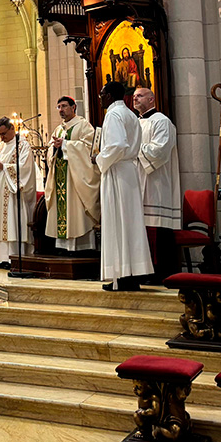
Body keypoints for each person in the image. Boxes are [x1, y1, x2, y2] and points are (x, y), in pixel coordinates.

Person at [95, 81, 153, 290]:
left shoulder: (113, 114)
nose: (100, 97)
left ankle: (121, 276)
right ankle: (132, 274)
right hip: (129, 171)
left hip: (118, 171)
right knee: (130, 223)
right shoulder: (129, 114)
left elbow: (118, 145)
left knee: (118, 222)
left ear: (110, 95)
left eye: (102, 94)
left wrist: (99, 158)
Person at [133, 87, 182, 277]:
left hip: (156, 184)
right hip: (137, 182)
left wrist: (131, 147)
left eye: (140, 96)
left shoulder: (162, 122)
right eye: (134, 96)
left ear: (152, 99)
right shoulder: (136, 123)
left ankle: (161, 273)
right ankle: (142, 272)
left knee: (157, 229)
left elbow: (159, 152)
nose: (135, 98)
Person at [45, 96, 101, 252]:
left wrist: (65, 145)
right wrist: (55, 148)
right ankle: (63, 247)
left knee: (76, 209)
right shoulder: (58, 129)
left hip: (77, 177)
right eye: (59, 107)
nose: (61, 110)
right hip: (61, 175)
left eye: (64, 106)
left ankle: (83, 246)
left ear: (73, 107)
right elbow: (50, 151)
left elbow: (90, 149)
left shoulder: (83, 126)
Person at [0, 117, 36, 269]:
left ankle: (14, 258)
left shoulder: (23, 146)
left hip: (13, 193)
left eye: (4, 133)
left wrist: (4, 167)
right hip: (0, 191)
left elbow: (25, 168)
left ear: (12, 129)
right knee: (0, 224)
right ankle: (2, 258)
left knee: (13, 223)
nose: (2, 137)